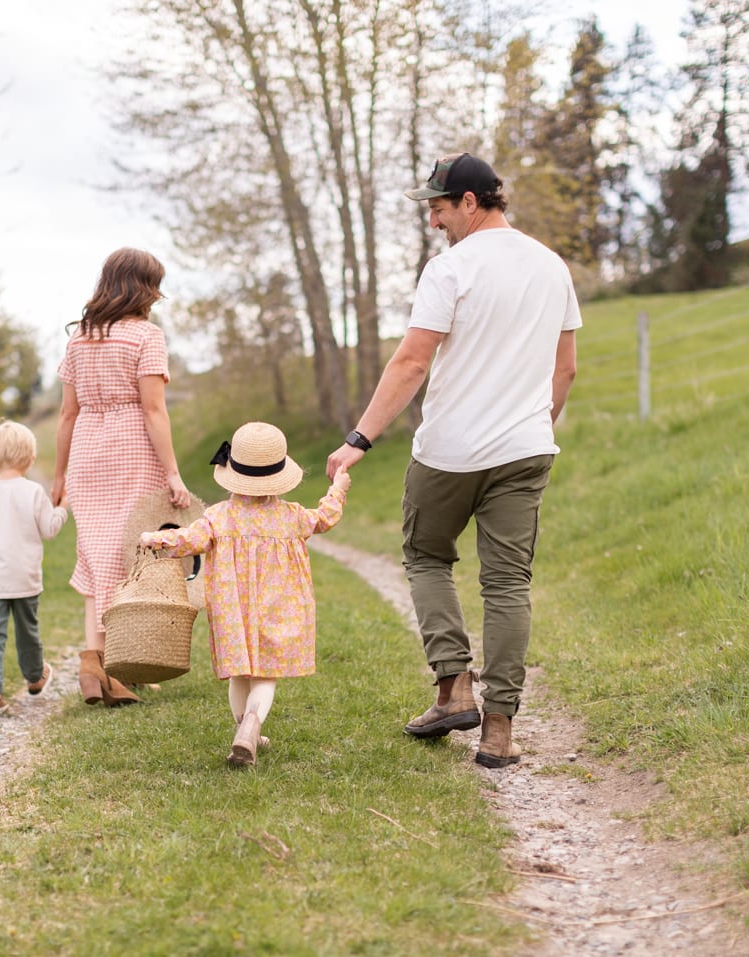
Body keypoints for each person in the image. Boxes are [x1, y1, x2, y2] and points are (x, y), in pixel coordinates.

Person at [325, 152, 580, 768]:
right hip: (525, 450)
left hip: (450, 451)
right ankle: (499, 733)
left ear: (470, 202)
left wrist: (358, 440)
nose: (434, 222)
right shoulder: (552, 266)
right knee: (508, 583)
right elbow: (565, 367)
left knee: (427, 556)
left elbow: (412, 362)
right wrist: (529, 426)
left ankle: (452, 687)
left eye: (438, 208)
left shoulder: (451, 269)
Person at [139, 422, 350, 767]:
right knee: (265, 676)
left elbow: (188, 540)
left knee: (239, 672)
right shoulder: (291, 516)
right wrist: (338, 488)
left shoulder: (218, 517)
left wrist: (156, 538)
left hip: (231, 609)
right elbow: (325, 518)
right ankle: (252, 726)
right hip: (278, 608)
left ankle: (243, 730)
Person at [53, 247, 191, 707]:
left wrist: (59, 476)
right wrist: (172, 473)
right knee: (127, 555)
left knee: (98, 556)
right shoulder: (146, 337)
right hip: (131, 446)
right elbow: (153, 409)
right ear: (144, 288)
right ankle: (106, 663)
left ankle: (104, 663)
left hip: (88, 450)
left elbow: (67, 415)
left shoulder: (80, 338)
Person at [0, 420, 69, 716]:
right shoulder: (33, 492)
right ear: (30, 457)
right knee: (28, 631)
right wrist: (62, 508)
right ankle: (35, 677)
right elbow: (49, 530)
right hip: (24, 578)